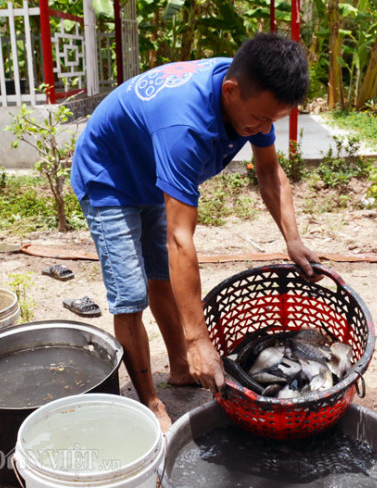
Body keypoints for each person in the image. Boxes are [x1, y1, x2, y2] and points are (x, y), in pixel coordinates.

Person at [70, 33, 320, 430]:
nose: (261, 130)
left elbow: (270, 173)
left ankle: (181, 370)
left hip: (151, 173)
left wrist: (293, 239)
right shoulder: (185, 126)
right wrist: (198, 338)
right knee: (130, 294)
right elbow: (179, 239)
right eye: (258, 120)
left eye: (271, 122)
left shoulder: (252, 93)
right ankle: (150, 401)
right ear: (230, 90)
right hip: (109, 177)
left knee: (161, 276)